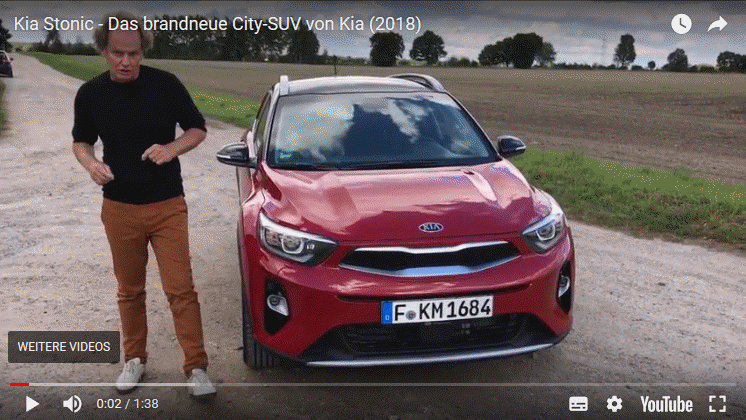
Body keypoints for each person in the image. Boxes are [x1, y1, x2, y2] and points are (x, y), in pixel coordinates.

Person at [71, 11, 215, 399]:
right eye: (117, 53)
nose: (126, 61)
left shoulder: (166, 85)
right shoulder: (90, 93)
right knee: (130, 290)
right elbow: (81, 141)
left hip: (167, 204)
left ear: (143, 52)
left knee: (180, 289)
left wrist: (171, 149)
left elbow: (198, 128)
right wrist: (91, 164)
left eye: (133, 54)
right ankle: (134, 359)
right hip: (119, 207)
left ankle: (196, 368)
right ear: (103, 51)